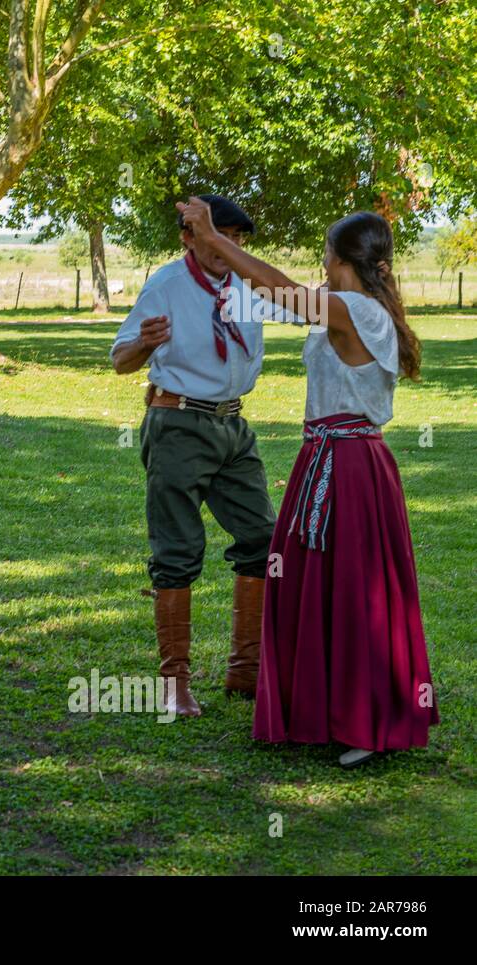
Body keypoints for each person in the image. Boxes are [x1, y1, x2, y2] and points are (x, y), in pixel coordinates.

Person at [178, 198, 437, 766]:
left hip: (349, 467)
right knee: (311, 583)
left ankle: (367, 722)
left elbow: (279, 287)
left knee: (353, 591)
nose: (320, 261)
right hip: (324, 461)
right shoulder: (348, 307)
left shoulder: (359, 311)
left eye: (324, 252)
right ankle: (322, 710)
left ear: (339, 257)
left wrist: (213, 237)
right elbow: (274, 295)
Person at [110, 195, 281, 717]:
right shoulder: (165, 285)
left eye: (240, 240)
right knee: (179, 549)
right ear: (189, 237)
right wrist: (144, 343)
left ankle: (245, 669)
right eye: (219, 236)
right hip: (178, 423)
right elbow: (120, 359)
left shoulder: (249, 288)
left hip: (233, 425)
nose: (230, 248)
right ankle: (173, 683)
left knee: (263, 539)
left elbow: (309, 307)